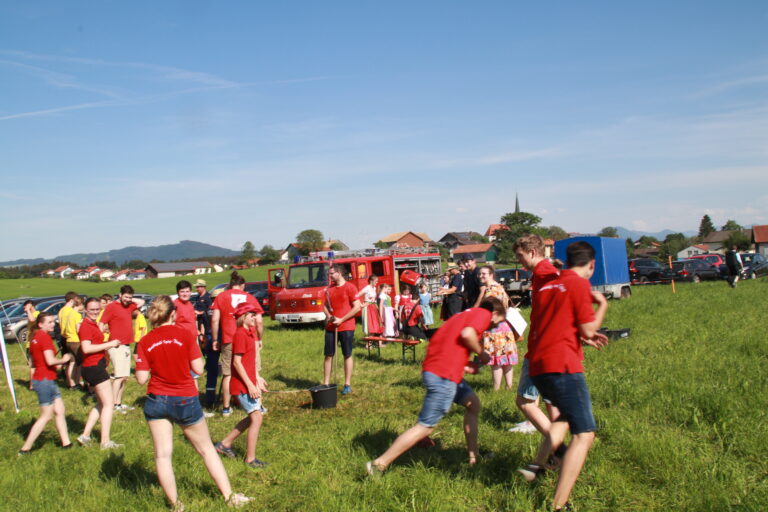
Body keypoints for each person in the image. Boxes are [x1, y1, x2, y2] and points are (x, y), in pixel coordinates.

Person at [135, 296, 252, 509]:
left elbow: (142, 379)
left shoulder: (144, 341)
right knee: (206, 449)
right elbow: (198, 369)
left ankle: (176, 504)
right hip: (184, 399)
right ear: (173, 314)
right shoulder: (185, 335)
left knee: (162, 455)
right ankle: (229, 497)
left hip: (156, 400)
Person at [365, 298, 505, 475]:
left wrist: (465, 364)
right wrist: (482, 354)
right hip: (443, 376)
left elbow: (449, 344)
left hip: (442, 370)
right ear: (495, 313)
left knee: (473, 404)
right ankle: (378, 464)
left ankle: (473, 456)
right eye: (496, 323)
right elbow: (468, 334)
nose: (492, 327)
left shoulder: (464, 315)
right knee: (426, 425)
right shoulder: (484, 314)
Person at [519, 241, 609, 511]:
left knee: (564, 417)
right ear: (591, 265)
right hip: (564, 366)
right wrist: (601, 304)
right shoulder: (578, 284)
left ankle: (537, 465)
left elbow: (556, 322)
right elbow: (588, 327)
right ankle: (559, 505)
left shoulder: (547, 285)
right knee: (585, 434)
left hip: (538, 363)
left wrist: (582, 336)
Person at [510, 234, 561, 435]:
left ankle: (557, 446)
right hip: (548, 345)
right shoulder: (542, 273)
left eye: (520, 255)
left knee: (524, 402)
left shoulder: (545, 273)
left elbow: (561, 301)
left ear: (532, 252)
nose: (519, 260)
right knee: (551, 400)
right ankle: (556, 449)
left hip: (543, 347)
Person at [214, 303, 269, 468]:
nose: (255, 318)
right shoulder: (239, 335)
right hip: (242, 385)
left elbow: (249, 361)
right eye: (251, 315)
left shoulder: (250, 333)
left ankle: (224, 444)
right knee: (256, 418)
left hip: (250, 382)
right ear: (243, 317)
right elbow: (237, 363)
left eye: (255, 315)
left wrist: (257, 378)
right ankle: (250, 459)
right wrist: (250, 386)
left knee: (254, 416)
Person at [19, 312, 75, 454]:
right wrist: (64, 359)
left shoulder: (35, 338)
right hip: (45, 381)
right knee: (46, 416)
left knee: (60, 410)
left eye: (53, 321)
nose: (53, 324)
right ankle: (26, 448)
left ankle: (66, 443)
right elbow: (51, 361)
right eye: (49, 322)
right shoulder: (44, 338)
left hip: (46, 379)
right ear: (40, 324)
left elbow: (35, 360)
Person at [212, 271, 262, 416]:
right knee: (253, 369)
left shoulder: (221, 296)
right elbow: (258, 320)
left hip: (228, 338)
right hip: (248, 337)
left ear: (230, 285)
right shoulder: (250, 297)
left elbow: (215, 319)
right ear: (243, 285)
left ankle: (226, 407)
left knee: (227, 373)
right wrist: (259, 338)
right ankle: (258, 404)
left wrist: (215, 339)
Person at [77, 297, 122, 449]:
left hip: (94, 366)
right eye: (92, 310)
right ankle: (105, 441)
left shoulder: (92, 324)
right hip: (94, 367)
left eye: (97, 309)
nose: (95, 312)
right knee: (109, 404)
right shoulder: (85, 326)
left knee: (101, 403)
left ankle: (85, 435)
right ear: (85, 310)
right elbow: (86, 348)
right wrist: (109, 344)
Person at [478, 265, 520, 391]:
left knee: (496, 361)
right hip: (505, 327)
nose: (481, 276)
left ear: (491, 275)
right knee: (506, 359)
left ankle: (496, 390)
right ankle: (509, 387)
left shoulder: (491, 290)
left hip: (494, 328)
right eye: (480, 274)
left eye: (484, 274)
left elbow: (490, 311)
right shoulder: (499, 287)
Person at [322, 265, 362, 395]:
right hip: (331, 327)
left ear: (339, 273)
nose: (330, 276)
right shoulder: (329, 290)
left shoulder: (350, 287)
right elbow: (324, 306)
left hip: (346, 326)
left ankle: (347, 384)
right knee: (328, 354)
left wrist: (342, 319)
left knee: (347, 354)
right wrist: (329, 316)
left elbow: (357, 307)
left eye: (332, 273)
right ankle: (326, 383)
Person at [99, 285, 138, 413]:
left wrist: (130, 300)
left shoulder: (129, 306)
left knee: (124, 377)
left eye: (130, 297)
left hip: (126, 344)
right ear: (119, 295)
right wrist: (100, 338)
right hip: (116, 345)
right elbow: (101, 323)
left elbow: (141, 302)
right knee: (119, 377)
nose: (128, 299)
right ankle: (113, 405)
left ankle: (118, 403)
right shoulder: (111, 307)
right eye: (125, 297)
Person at [194, 279, 217, 409]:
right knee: (210, 364)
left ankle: (210, 398)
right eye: (196, 287)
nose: (197, 289)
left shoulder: (208, 300)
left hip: (210, 333)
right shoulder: (198, 298)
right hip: (206, 332)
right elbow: (202, 320)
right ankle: (210, 398)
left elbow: (207, 316)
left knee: (211, 367)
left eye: (198, 287)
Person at [58, 291, 83, 389]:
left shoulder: (61, 311)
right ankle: (75, 382)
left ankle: (70, 383)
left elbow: (61, 325)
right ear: (72, 300)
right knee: (77, 363)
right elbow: (77, 328)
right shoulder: (73, 313)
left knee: (70, 362)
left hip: (65, 337)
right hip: (74, 338)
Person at [23, 300, 40, 389]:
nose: (24, 310)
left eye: (25, 307)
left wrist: (29, 309)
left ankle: (34, 384)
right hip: (30, 344)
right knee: (33, 365)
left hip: (35, 344)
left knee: (35, 365)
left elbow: (32, 319)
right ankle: (32, 385)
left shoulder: (37, 313)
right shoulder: (31, 314)